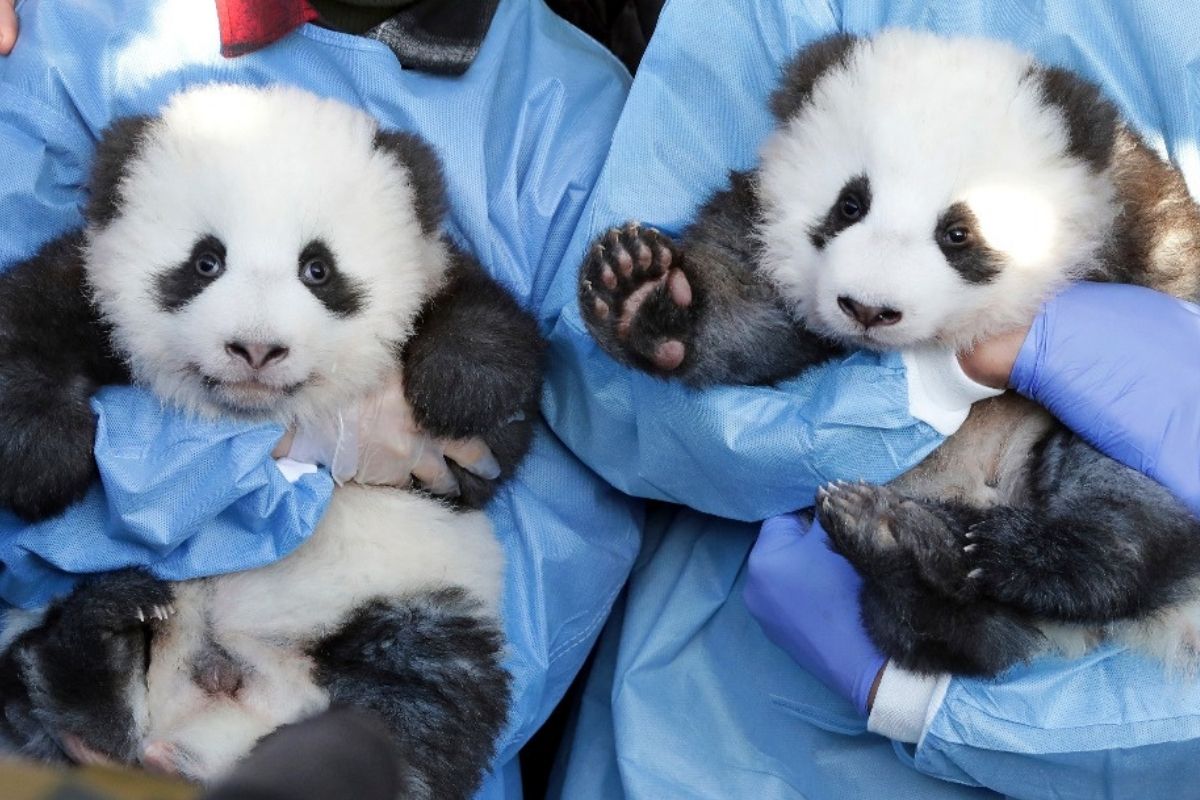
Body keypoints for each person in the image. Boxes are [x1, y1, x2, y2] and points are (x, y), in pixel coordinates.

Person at [545, 1, 1200, 798]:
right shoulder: (770, 31)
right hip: (708, 733)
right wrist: (937, 381)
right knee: (738, 304)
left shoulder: (1130, 171)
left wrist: (926, 708)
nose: (878, 275)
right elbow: (610, 416)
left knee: (1106, 531)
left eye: (959, 234)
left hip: (1085, 633)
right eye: (851, 207)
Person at [0, 1, 636, 797]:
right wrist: (273, 449)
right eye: (205, 264)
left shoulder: (564, 106)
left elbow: (569, 526)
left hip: (346, 666)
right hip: (124, 662)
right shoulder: (86, 28)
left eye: (315, 275)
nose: (258, 336)